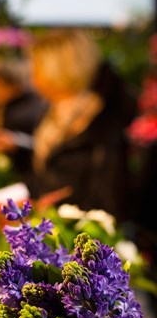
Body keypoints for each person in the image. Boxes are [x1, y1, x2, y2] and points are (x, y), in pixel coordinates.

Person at [28, 29, 137, 220]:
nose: (33, 77)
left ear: (56, 70)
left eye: (36, 67)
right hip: (54, 227)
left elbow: (107, 200)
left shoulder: (103, 121)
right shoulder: (55, 114)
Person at [0, 58, 48, 183]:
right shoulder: (6, 106)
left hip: (31, 176)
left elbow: (41, 143)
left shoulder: (29, 108)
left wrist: (15, 141)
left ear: (12, 85)